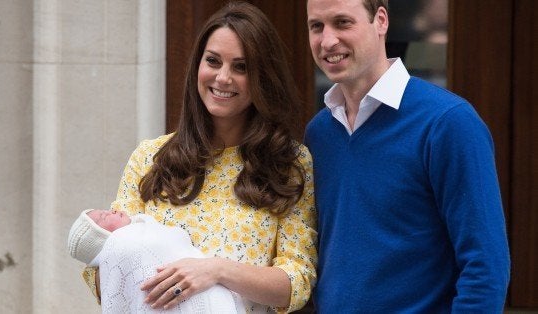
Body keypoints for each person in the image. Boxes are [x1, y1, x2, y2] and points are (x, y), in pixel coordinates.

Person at [79, 2, 317, 313]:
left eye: (241, 67)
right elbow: (103, 267)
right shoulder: (150, 157)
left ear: (263, 76)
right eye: (213, 61)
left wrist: (215, 270)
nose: (223, 78)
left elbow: (297, 282)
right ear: (197, 66)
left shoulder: (290, 164)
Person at [304, 0, 510, 312]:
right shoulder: (319, 133)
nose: (327, 40)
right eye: (316, 26)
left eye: (343, 22)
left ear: (381, 21)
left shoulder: (448, 123)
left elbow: (486, 268)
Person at [67, 208, 245, 313]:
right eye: (103, 218)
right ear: (102, 239)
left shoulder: (145, 230)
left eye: (104, 210)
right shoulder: (124, 243)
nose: (111, 210)